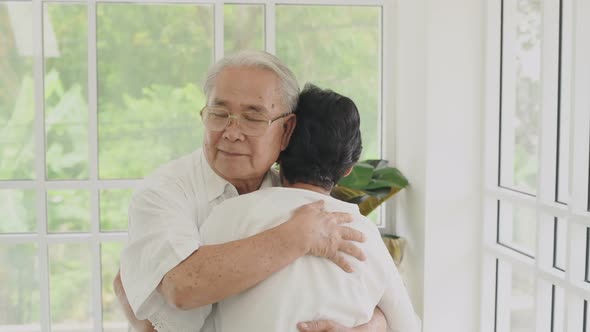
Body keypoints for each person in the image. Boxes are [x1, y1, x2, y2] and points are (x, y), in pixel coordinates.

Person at [114, 50, 390, 332]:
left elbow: (380, 296)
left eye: (253, 118)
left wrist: (363, 329)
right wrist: (297, 237)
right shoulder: (164, 191)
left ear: (286, 130)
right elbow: (183, 287)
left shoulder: (297, 193)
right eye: (219, 114)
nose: (232, 132)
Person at [200, 84, 420, 332]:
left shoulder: (228, 215)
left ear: (279, 148)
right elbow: (408, 325)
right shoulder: (362, 231)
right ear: (348, 169)